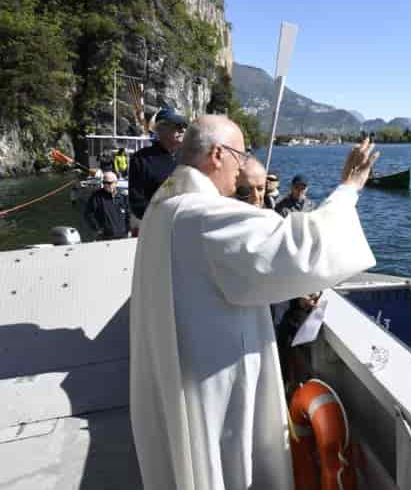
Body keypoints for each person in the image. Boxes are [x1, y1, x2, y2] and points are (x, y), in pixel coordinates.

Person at [129, 115, 378, 490]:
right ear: (217, 154)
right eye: (240, 155)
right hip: (214, 389)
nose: (242, 166)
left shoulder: (163, 208)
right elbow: (303, 248)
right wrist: (349, 188)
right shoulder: (201, 215)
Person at [128, 107, 187, 221]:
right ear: (161, 129)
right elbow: (137, 203)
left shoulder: (189, 158)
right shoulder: (141, 159)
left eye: (184, 126)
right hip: (158, 227)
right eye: (177, 126)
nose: (182, 130)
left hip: (186, 225)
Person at [83, 171, 129, 240]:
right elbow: (88, 214)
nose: (106, 185)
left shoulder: (123, 196)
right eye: (104, 183)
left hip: (123, 236)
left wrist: (128, 229)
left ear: (116, 183)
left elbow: (128, 215)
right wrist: (97, 229)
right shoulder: (96, 197)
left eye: (109, 183)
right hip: (105, 237)